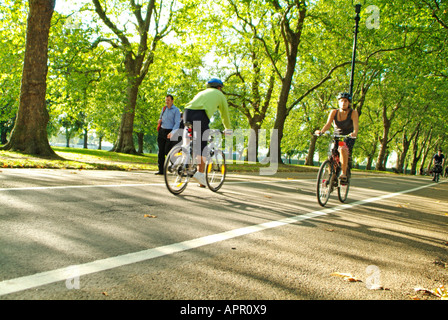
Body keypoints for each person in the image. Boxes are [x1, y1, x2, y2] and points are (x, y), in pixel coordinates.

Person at [183, 78, 232, 186]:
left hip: (187, 113)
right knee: (202, 147)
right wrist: (228, 129)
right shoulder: (220, 95)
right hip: (200, 115)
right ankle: (200, 174)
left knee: (194, 141)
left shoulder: (202, 92)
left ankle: (185, 158)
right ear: (219, 88)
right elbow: (225, 115)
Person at [314, 92, 359, 182]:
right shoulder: (334, 112)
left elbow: (356, 127)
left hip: (347, 137)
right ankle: (332, 177)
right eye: (341, 101)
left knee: (342, 148)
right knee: (331, 155)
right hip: (336, 136)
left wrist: (354, 133)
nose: (343, 103)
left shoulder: (353, 113)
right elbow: (328, 124)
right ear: (338, 102)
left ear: (349, 103)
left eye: (346, 101)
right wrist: (321, 132)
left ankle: (343, 172)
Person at [155, 94, 181, 175]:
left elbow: (177, 123)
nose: (167, 102)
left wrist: (172, 132)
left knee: (168, 151)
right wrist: (159, 120)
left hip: (170, 132)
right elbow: (160, 118)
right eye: (166, 100)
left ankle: (176, 166)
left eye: (168, 100)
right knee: (161, 151)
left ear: (172, 101)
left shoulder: (176, 110)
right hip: (162, 131)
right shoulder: (164, 108)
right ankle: (161, 170)